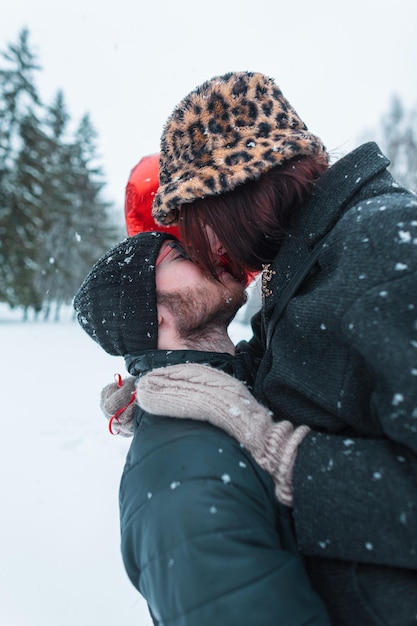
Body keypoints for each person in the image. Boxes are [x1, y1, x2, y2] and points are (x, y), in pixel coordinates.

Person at [131, 71, 417, 625]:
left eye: (198, 228)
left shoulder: (382, 250)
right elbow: (275, 375)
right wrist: (168, 377)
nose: (208, 249)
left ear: (234, 192)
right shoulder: (306, 270)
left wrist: (291, 459)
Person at [73, 231, 330, 625]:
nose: (209, 255)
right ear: (150, 314)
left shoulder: (244, 393)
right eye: (179, 255)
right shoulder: (184, 478)